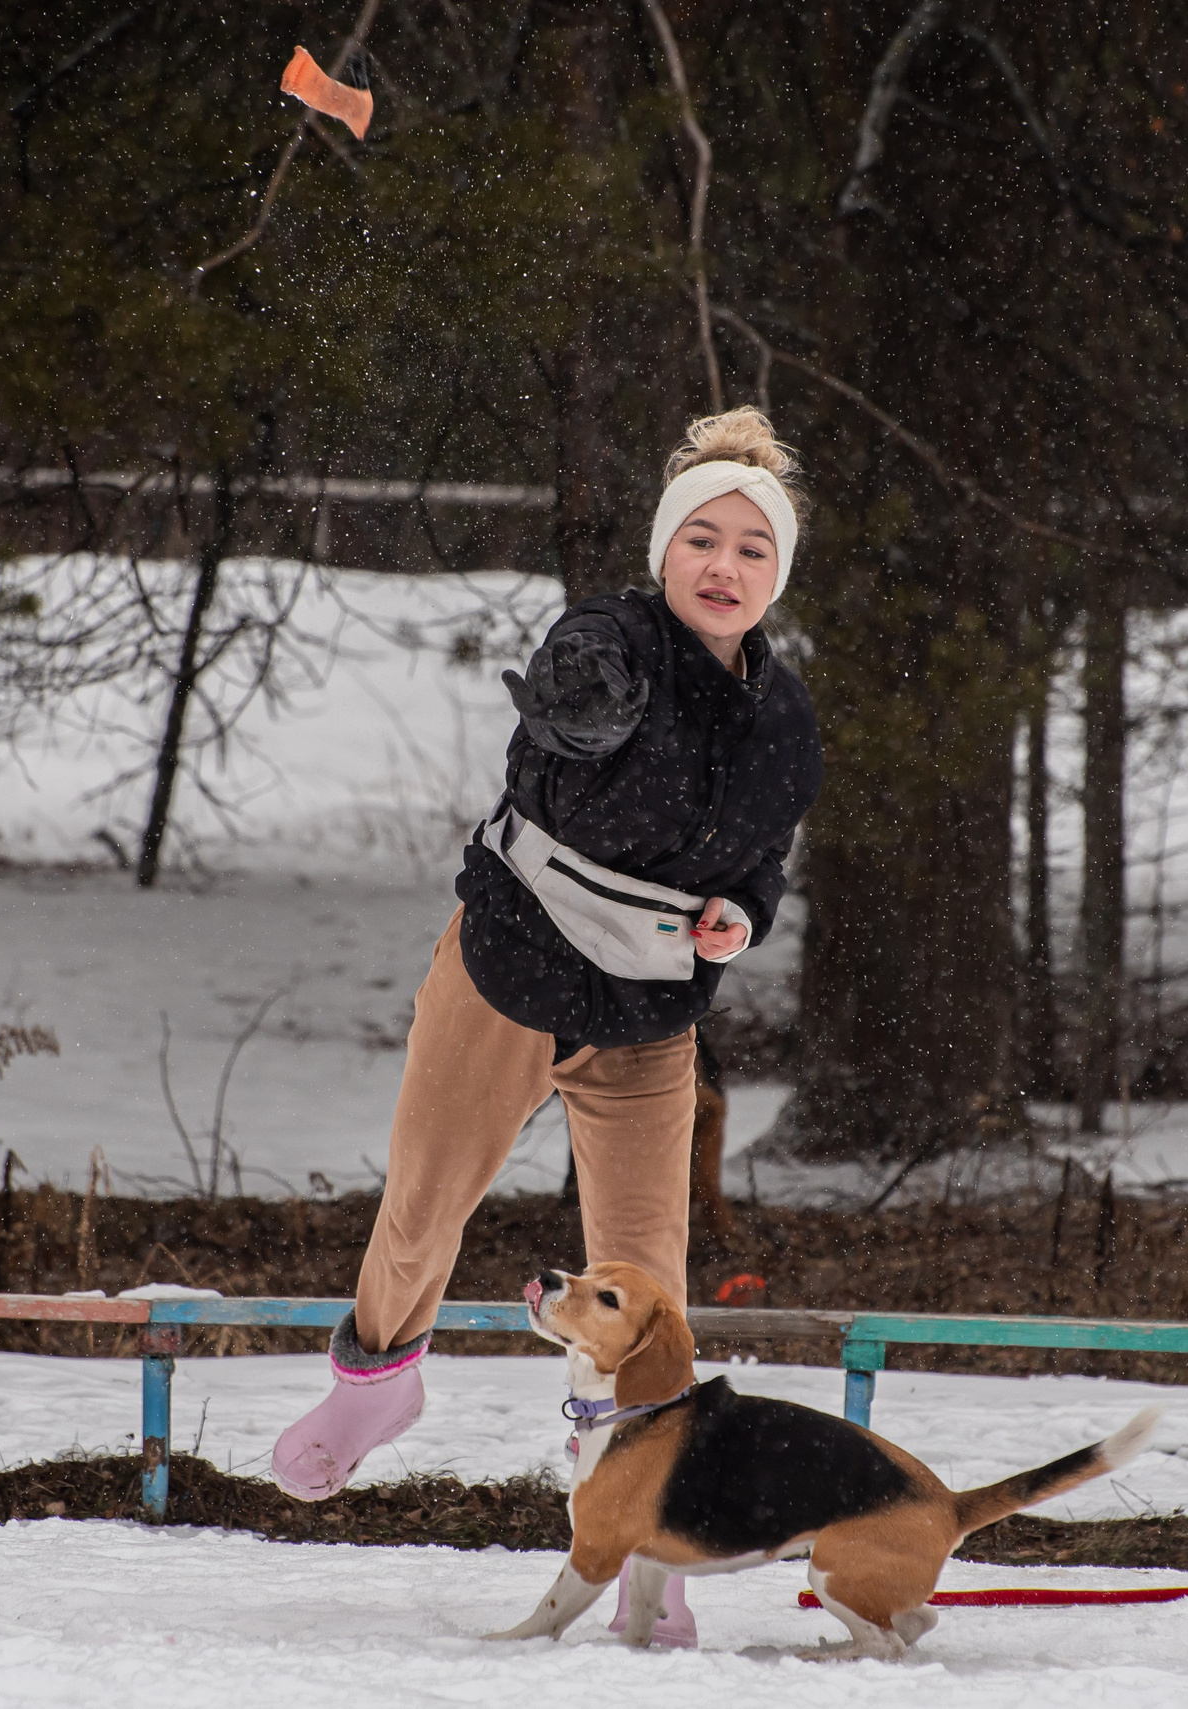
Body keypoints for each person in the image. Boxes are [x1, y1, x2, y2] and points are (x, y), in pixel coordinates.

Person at [269, 406, 824, 1643]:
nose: (722, 566)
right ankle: (374, 1382)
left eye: (750, 548)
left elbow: (763, 862)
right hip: (509, 975)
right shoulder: (605, 642)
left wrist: (741, 913)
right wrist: (581, 712)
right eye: (701, 540)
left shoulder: (784, 721)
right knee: (424, 1206)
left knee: (651, 1293)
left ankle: (652, 1544)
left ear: (775, 573)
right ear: (663, 550)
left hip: (646, 1019)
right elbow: (558, 740)